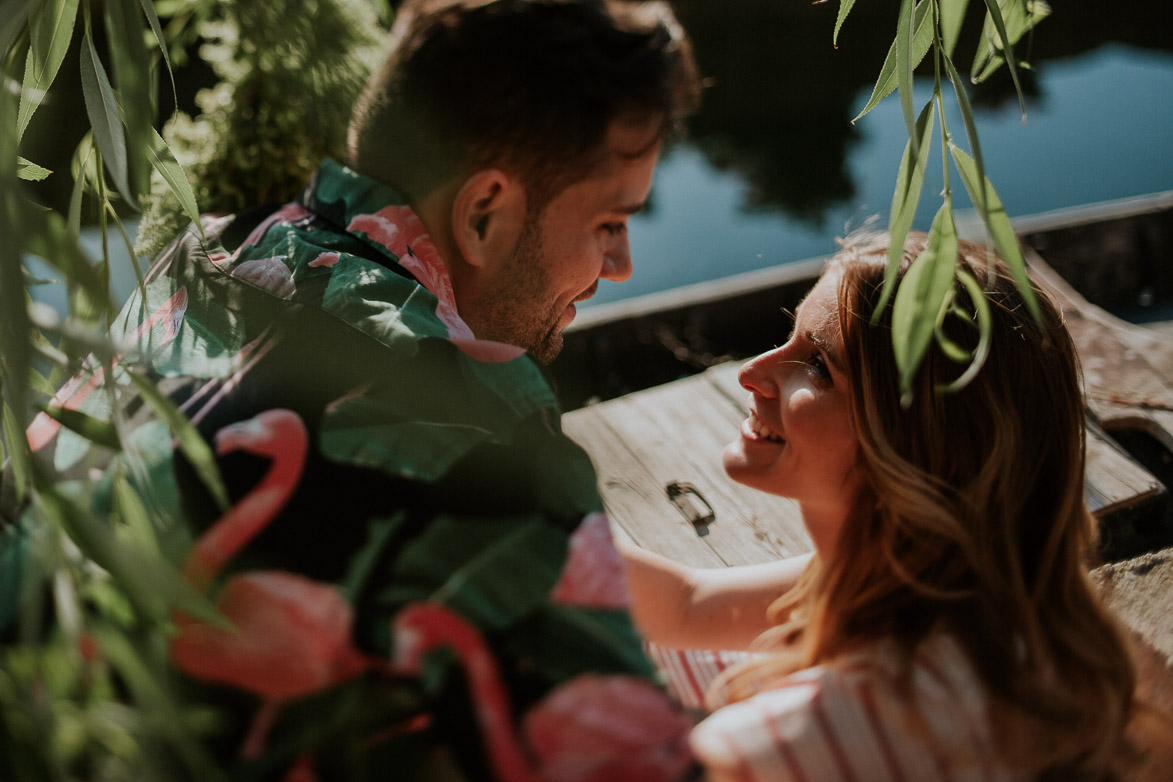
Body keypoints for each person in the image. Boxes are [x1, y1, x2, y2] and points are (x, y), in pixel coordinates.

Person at [0, 1, 702, 778]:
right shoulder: (470, 419)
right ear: (483, 212)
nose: (623, 265)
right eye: (610, 222)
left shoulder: (218, 249)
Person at [622, 232, 1162, 780]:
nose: (750, 372)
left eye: (817, 367)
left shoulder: (758, 754)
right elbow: (685, 603)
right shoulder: (1026, 621)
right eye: (789, 338)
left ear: (922, 452)